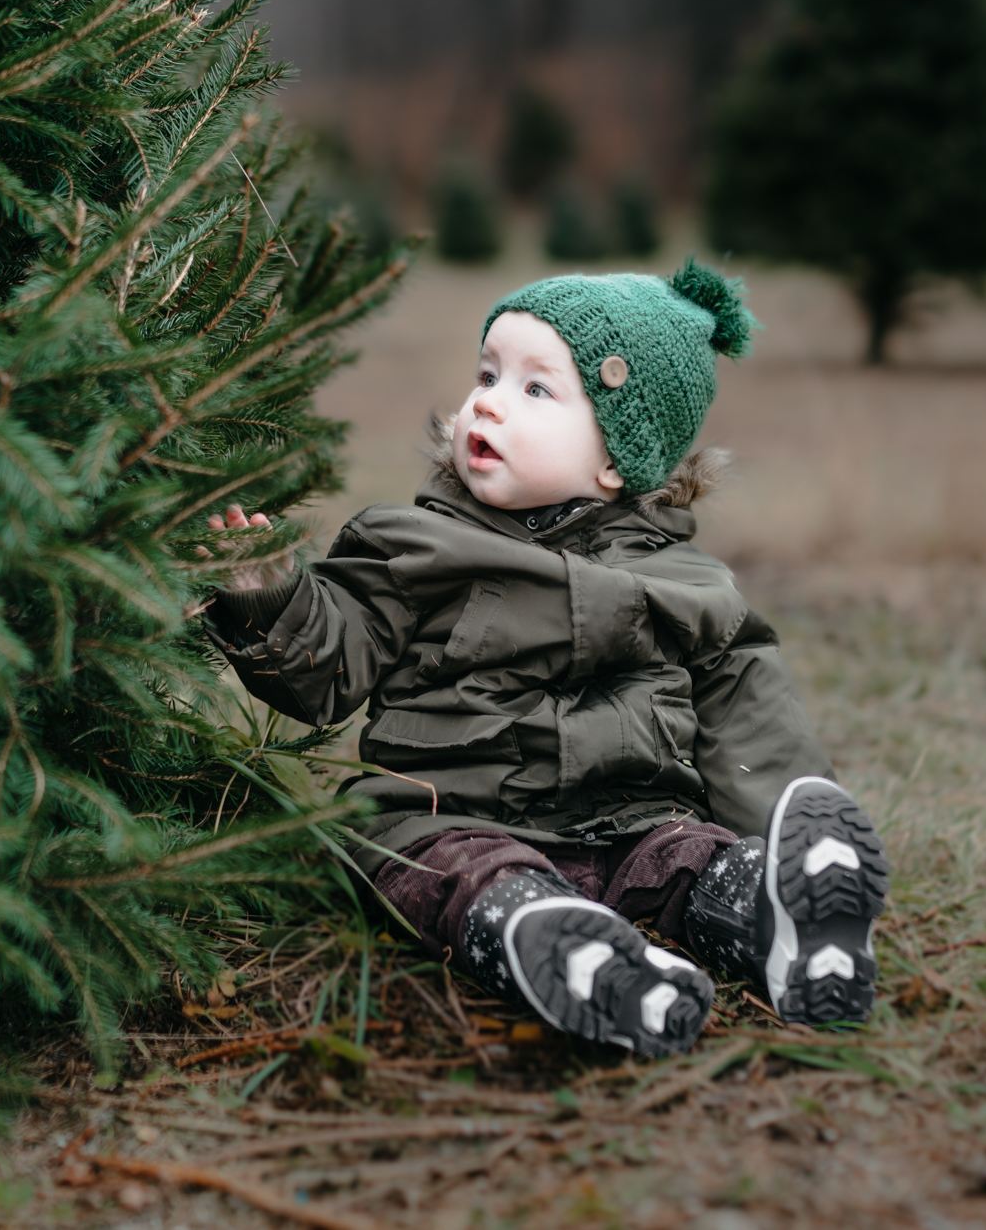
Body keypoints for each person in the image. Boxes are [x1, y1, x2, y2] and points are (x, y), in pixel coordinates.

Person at [203, 262, 888, 1057]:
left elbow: (752, 719)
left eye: (536, 389)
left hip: (632, 825)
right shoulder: (412, 544)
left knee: (697, 862)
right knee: (421, 863)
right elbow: (331, 666)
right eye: (486, 374)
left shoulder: (688, 586)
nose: (487, 400)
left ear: (616, 461)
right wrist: (269, 596)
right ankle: (557, 944)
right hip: (450, 815)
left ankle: (782, 915)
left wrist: (783, 830)